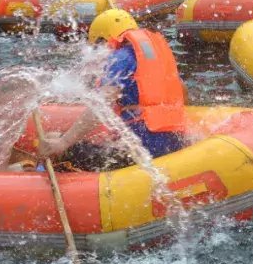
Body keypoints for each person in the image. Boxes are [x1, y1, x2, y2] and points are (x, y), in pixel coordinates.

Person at [37, 9, 185, 170]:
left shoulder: (120, 58)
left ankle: (35, 175)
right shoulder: (156, 54)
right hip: (173, 144)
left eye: (98, 46)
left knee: (54, 140)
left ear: (104, 39)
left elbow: (101, 105)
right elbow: (183, 92)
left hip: (144, 152)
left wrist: (64, 142)